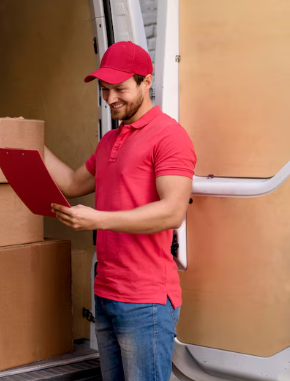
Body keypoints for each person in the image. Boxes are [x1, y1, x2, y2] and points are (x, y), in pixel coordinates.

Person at [43, 41, 197, 381]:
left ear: (146, 82)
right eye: (104, 89)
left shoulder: (169, 137)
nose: (111, 98)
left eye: (120, 89)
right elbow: (70, 182)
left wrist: (98, 219)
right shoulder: (109, 141)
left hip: (146, 301)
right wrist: (32, 141)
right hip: (106, 292)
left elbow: (172, 212)